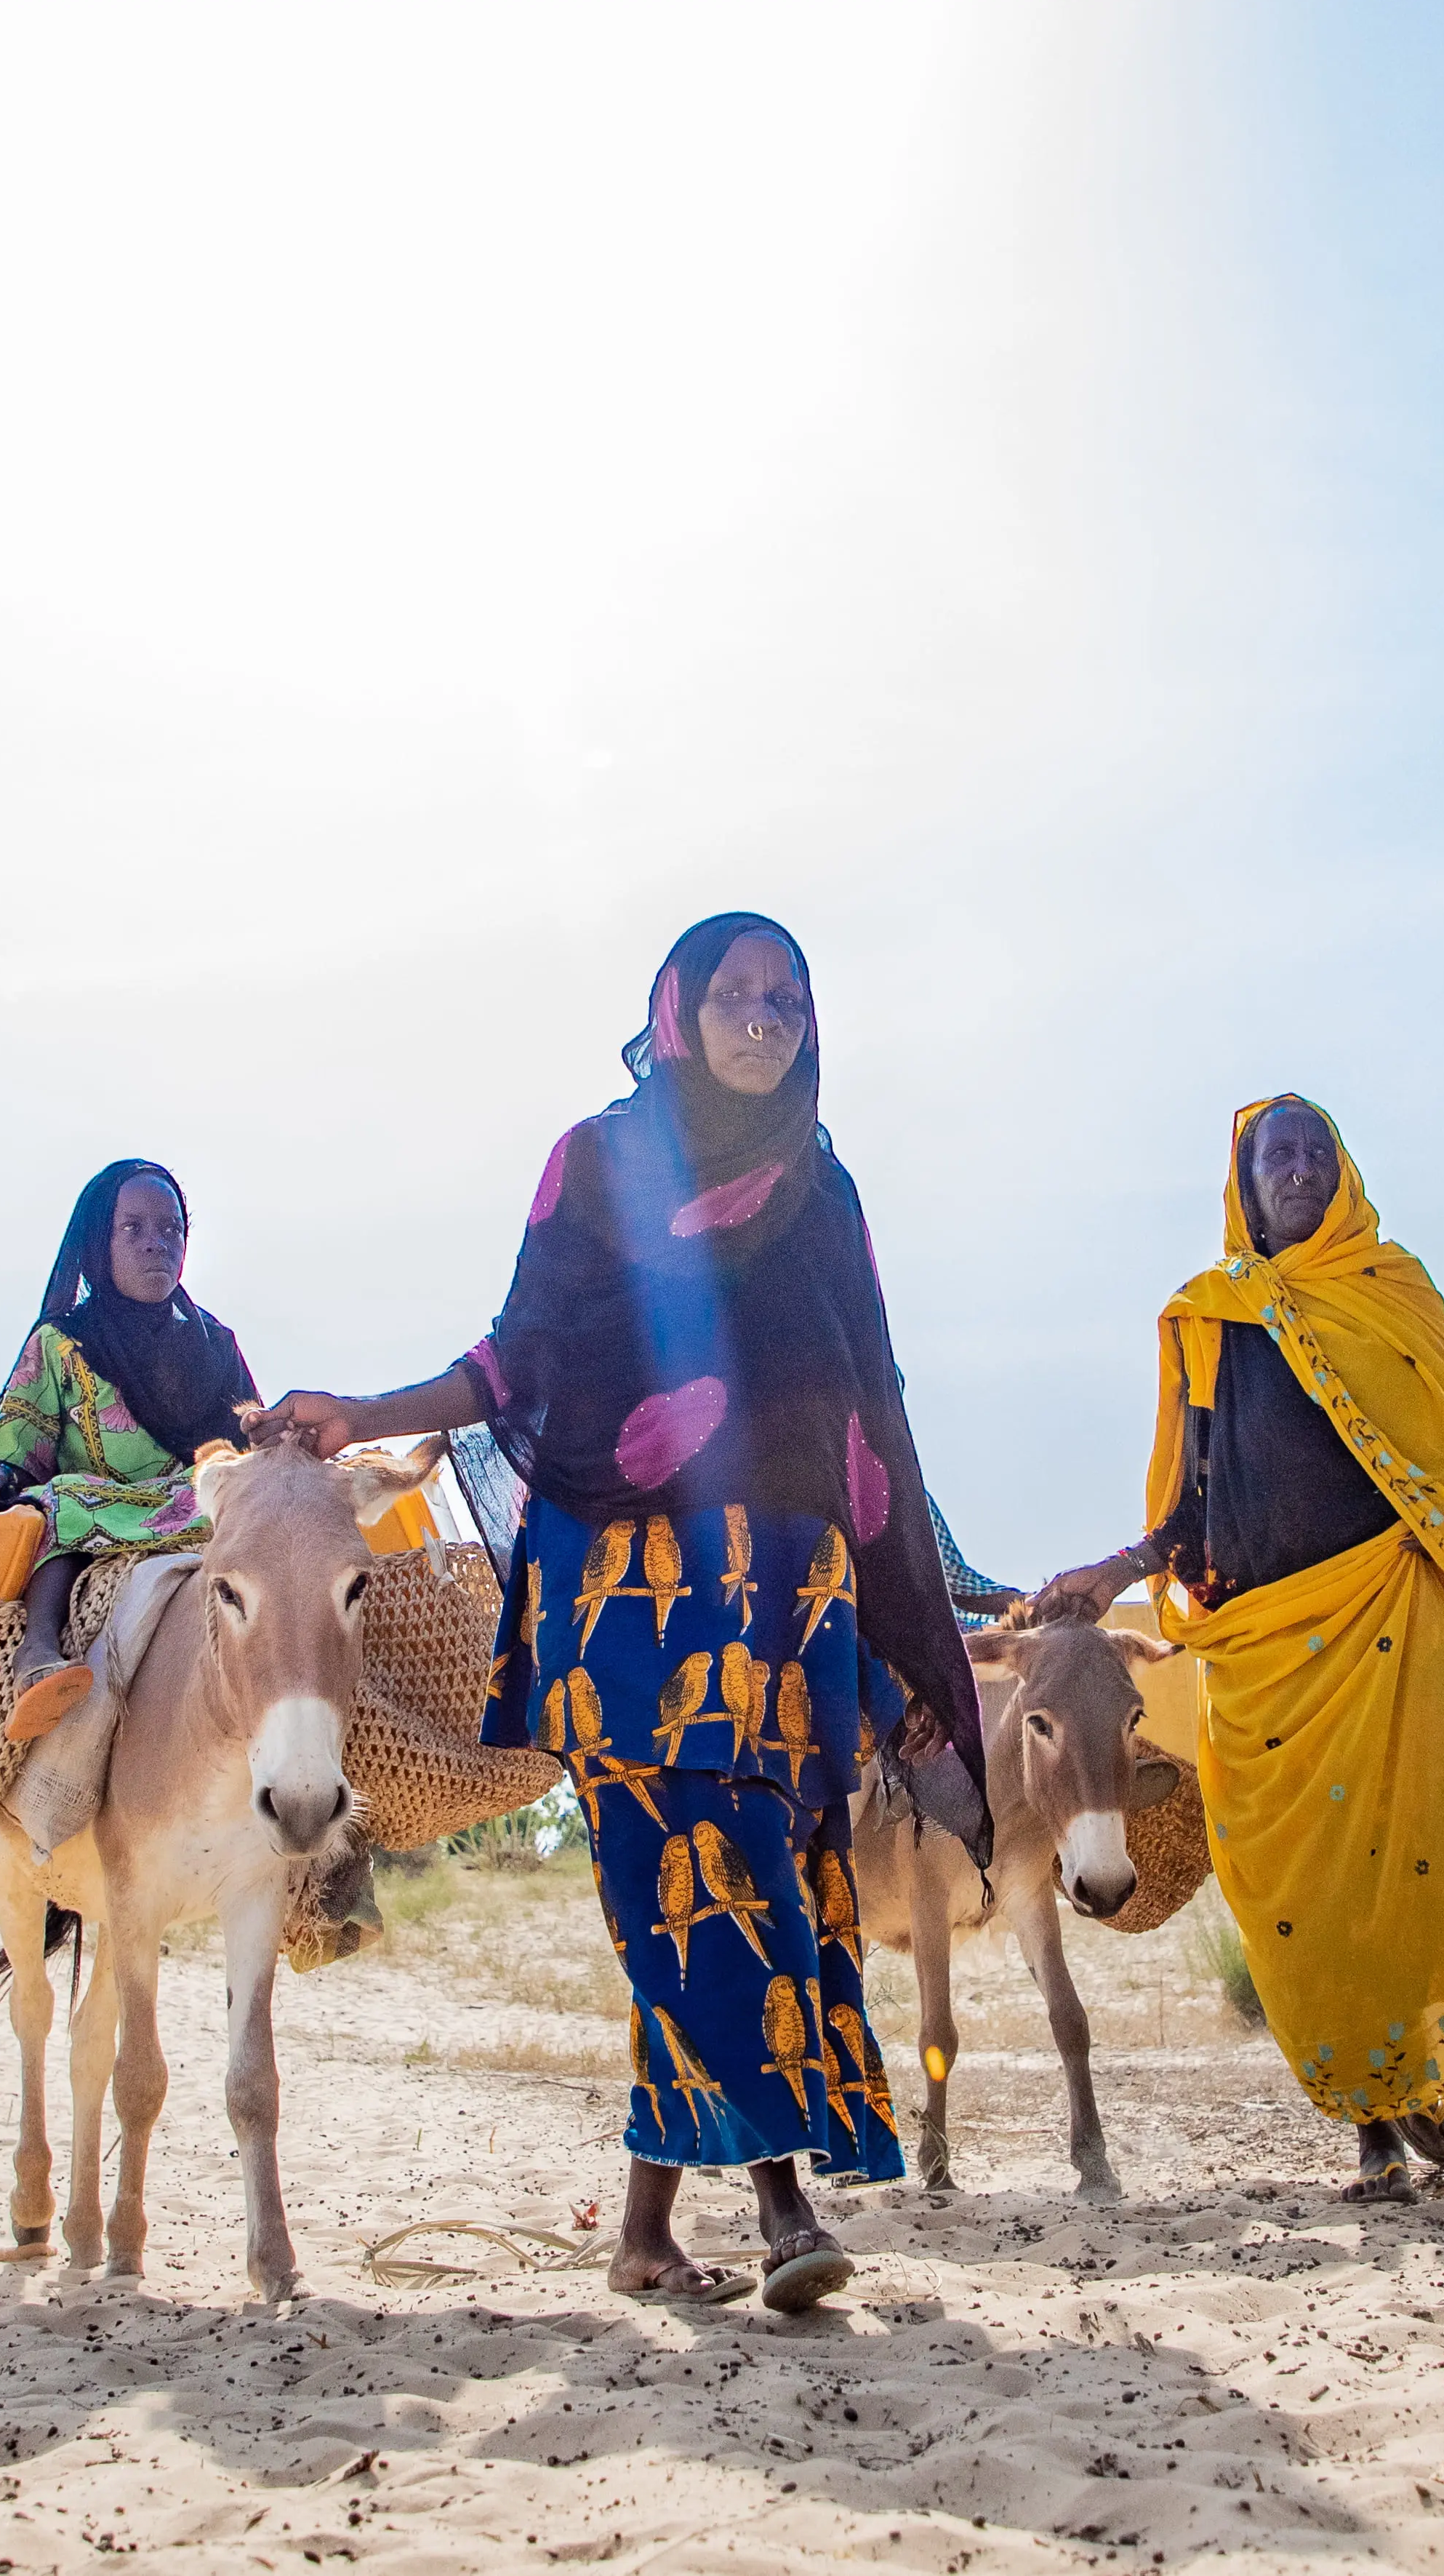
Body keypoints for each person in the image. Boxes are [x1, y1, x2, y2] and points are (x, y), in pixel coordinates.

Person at [252, 913, 988, 2312]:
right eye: (737, 994)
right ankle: (783, 2202)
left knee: (732, 1877)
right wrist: (371, 1412)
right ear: (677, 1010)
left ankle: (646, 2235)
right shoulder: (596, 1162)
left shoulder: (823, 1193)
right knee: (705, 1868)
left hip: (785, 1602)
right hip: (624, 1591)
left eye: (789, 997)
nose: (766, 1018)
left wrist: (913, 1606)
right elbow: (519, 1355)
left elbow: (869, 1402)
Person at [1032, 1095, 1444, 2201]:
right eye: (1274, 1153)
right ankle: (1373, 2122)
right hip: (1263, 1648)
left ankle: (1420, 2089)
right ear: (1242, 1181)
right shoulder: (1209, 1316)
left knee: (1420, 1861)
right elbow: (1192, 1502)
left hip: (1393, 1623)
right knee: (1304, 1895)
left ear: (1344, 1170)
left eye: (1315, 1151)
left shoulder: (1395, 1292)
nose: (1297, 1167)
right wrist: (1117, 1571)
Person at [0, 1158, 260, 1743]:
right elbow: (24, 1443)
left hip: (194, 1503)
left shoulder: (216, 1344)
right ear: (99, 1244)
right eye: (133, 1229)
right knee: (56, 1498)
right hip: (95, 1504)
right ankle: (39, 1651)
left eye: (171, 1229)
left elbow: (247, 1438)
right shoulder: (61, 1341)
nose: (156, 1244)